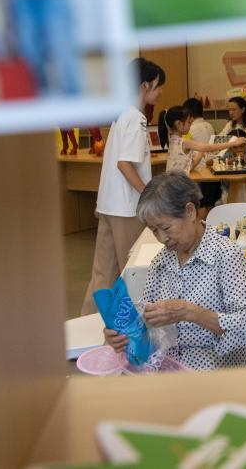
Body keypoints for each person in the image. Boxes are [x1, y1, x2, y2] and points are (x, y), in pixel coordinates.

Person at [104, 172, 246, 370]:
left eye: (166, 227)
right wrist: (122, 333)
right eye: (154, 230)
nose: (162, 238)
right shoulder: (161, 261)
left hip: (213, 374)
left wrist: (189, 312)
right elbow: (147, 326)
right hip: (166, 369)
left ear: (190, 212)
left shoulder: (225, 255)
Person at [80, 58, 165, 315]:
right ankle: (133, 326)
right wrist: (149, 195)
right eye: (158, 86)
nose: (160, 91)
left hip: (108, 205)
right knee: (133, 271)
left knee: (103, 274)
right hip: (126, 209)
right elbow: (125, 164)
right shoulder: (136, 119)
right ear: (144, 86)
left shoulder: (121, 115)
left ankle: (88, 325)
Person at [165, 106, 245, 175]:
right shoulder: (184, 142)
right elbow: (207, 147)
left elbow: (188, 166)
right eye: (188, 122)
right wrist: (233, 143)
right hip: (177, 184)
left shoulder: (172, 140)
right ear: (179, 124)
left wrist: (200, 154)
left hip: (173, 182)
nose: (190, 124)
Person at [183, 97, 221, 212]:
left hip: (199, 171)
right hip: (212, 168)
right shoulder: (209, 125)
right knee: (211, 205)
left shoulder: (190, 129)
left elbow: (185, 151)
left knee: (202, 206)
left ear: (189, 115)